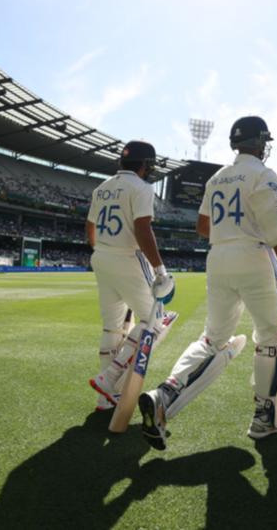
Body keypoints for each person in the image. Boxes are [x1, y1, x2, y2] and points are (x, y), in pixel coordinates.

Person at [137, 116, 277, 450]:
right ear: (260, 143)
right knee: (270, 338)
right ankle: (264, 418)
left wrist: (230, 235)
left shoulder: (216, 178)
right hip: (254, 257)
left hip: (217, 259)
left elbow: (202, 226)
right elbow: (271, 221)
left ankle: (165, 392)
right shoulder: (263, 174)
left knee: (212, 338)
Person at [86, 141, 177, 411]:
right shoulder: (141, 187)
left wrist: (103, 250)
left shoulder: (101, 188)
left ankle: (105, 398)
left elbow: (89, 227)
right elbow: (142, 229)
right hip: (128, 257)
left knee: (112, 327)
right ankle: (110, 378)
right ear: (144, 165)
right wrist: (160, 269)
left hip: (101, 257)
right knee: (156, 319)